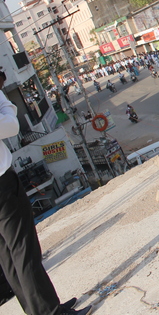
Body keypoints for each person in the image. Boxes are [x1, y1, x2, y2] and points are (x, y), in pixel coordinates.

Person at [0, 69, 90, 315]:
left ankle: (40, 308)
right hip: (2, 186)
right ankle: (49, 312)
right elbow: (9, 126)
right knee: (23, 250)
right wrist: (5, 104)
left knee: (8, 256)